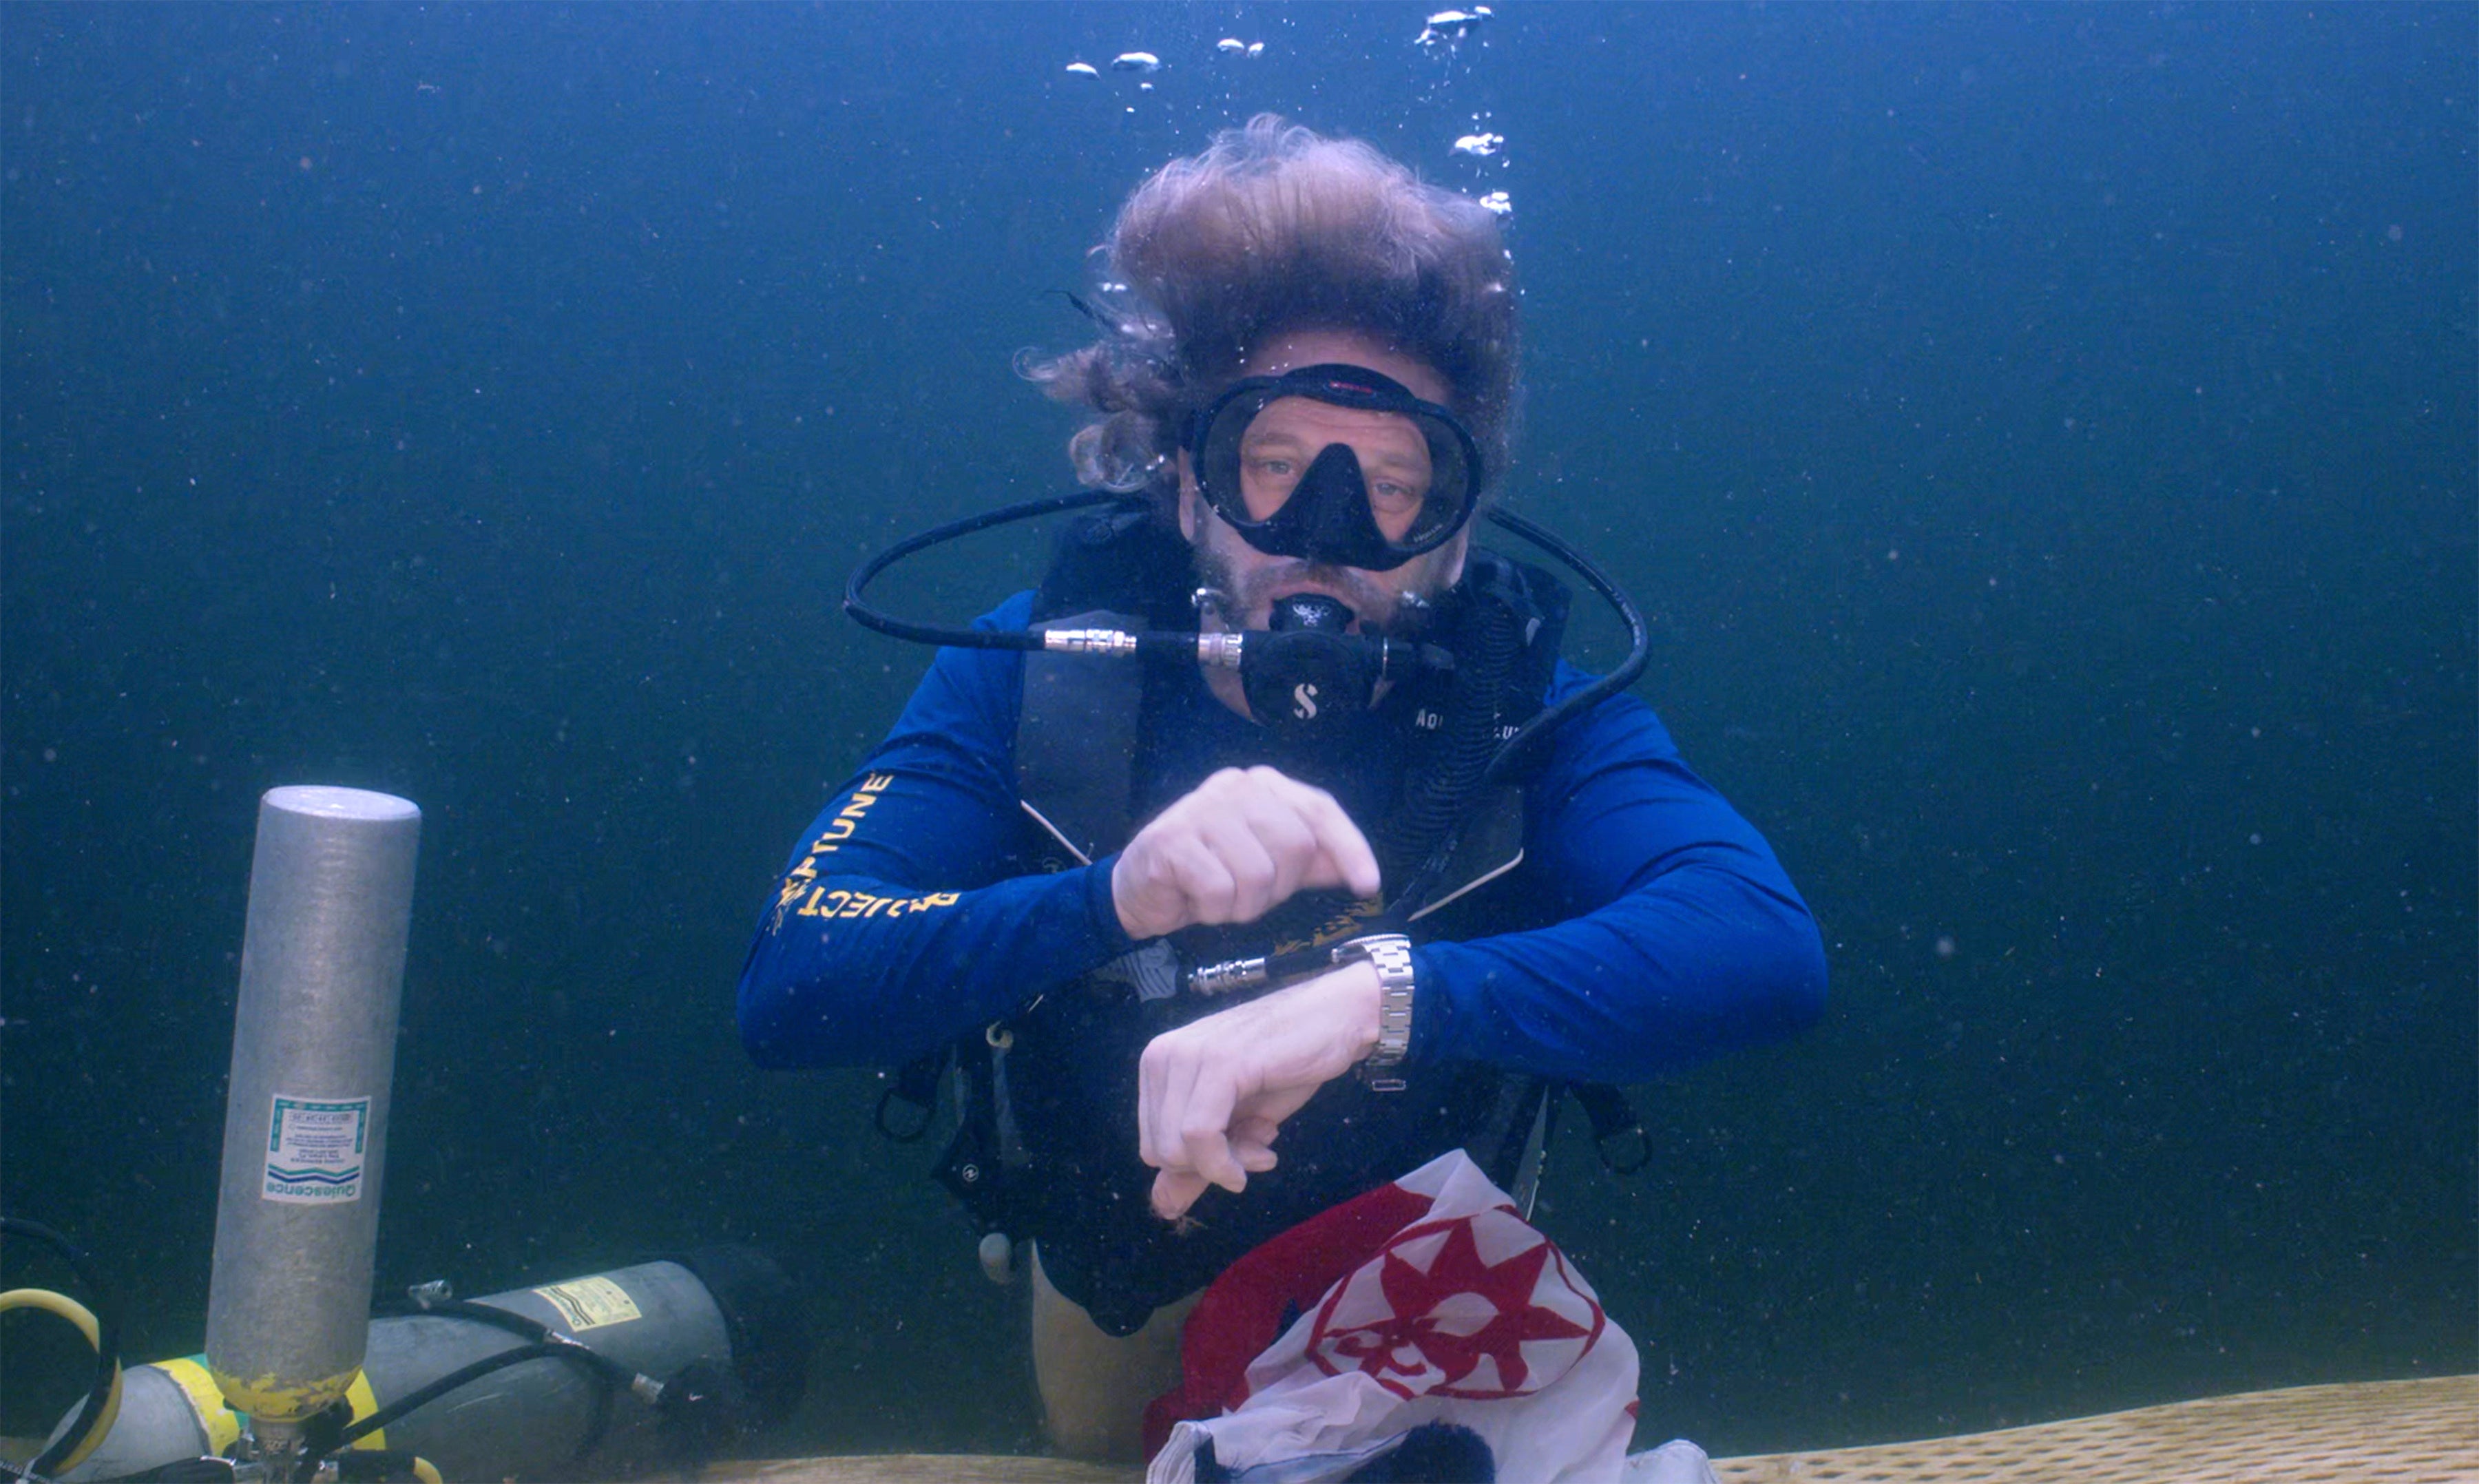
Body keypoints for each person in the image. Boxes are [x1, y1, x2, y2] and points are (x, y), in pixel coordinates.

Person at [737, 115, 1827, 1463]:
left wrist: (1390, 995)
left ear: (1457, 529)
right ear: (1186, 487)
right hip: (1118, 1270)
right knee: (1099, 1453)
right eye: (1273, 462)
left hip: (1405, 1284)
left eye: (1390, 484)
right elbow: (793, 970)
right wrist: (1109, 896)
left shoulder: (1518, 704)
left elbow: (1763, 943)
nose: (1328, 536)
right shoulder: (1046, 671)